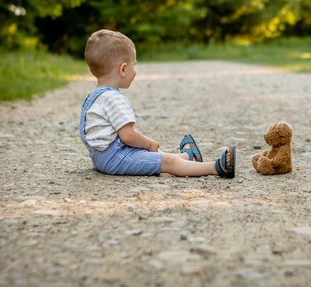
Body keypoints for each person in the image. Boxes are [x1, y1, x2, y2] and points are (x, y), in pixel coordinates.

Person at [79, 29, 235, 178]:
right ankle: (216, 167)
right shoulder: (113, 98)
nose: (135, 70)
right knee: (167, 162)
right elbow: (128, 135)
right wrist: (149, 143)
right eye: (135, 65)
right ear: (124, 69)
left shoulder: (94, 96)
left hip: (101, 158)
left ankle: (188, 156)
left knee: (152, 157)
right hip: (115, 158)